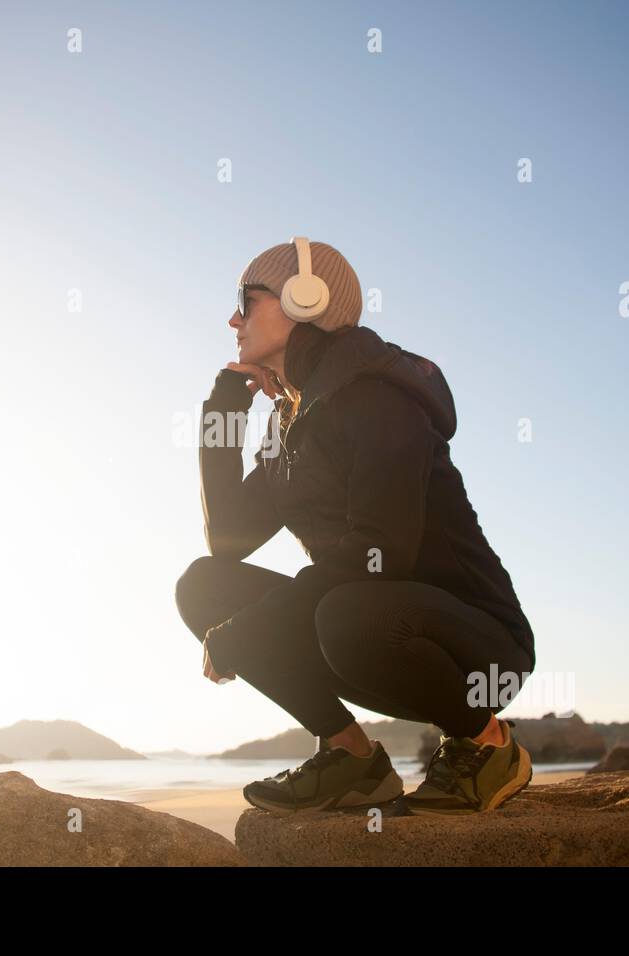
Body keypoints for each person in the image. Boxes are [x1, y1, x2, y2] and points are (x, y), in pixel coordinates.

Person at [175, 237, 537, 816]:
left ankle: (488, 742)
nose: (232, 318)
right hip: (359, 632)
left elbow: (381, 555)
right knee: (205, 587)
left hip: (476, 649)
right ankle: (352, 761)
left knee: (345, 610)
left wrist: (248, 631)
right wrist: (225, 407)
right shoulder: (290, 421)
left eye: (246, 299)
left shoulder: (376, 395)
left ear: (304, 297)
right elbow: (228, 540)